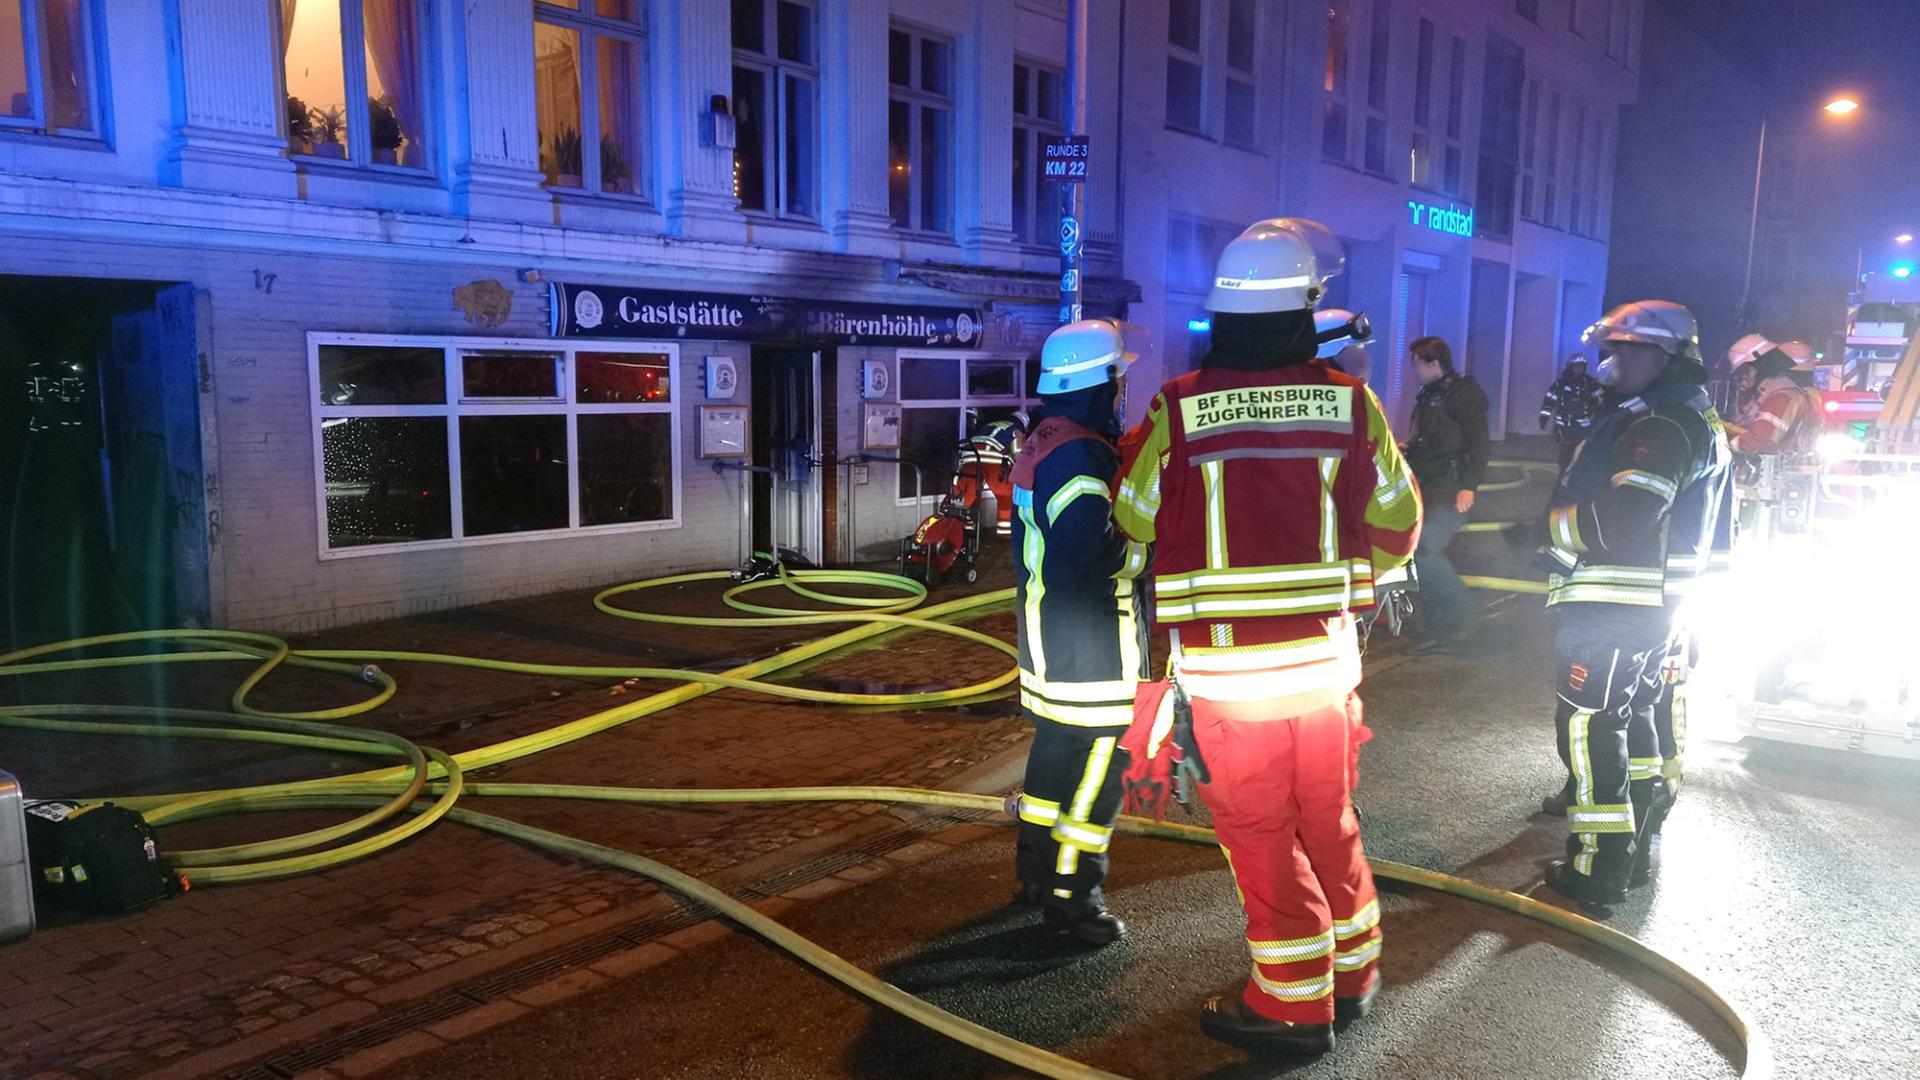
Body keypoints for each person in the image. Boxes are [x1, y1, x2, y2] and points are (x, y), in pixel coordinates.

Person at [1115, 218, 1422, 1055]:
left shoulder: (1178, 408)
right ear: (1307, 309)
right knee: (1329, 821)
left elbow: (1133, 518)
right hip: (1327, 670)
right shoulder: (1352, 403)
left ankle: (1290, 1004)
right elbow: (1399, 524)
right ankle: (1354, 975)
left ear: (1219, 317)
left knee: (1259, 837)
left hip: (1229, 678)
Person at [1539, 300, 1727, 912]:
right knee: (1632, 719)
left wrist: (1544, 535)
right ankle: (1635, 849)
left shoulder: (1661, 425)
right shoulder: (1683, 414)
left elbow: (1625, 518)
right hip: (1651, 607)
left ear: (1658, 355)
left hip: (1616, 604)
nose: (1612, 362)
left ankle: (1598, 866)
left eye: (1624, 351)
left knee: (1590, 725)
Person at [1008, 319, 1147, 945]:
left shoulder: (1044, 441)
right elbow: (1089, 550)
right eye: (1117, 380)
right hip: (1089, 652)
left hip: (1046, 644)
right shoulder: (1082, 454)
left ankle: (1037, 872)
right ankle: (1074, 899)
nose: (1121, 393)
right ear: (1097, 383)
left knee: (1053, 758)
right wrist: (1145, 548)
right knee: (1100, 768)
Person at [1402, 337, 1490, 644]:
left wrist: (1468, 486)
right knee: (1418, 551)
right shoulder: (1431, 394)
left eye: (1416, 364)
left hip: (1450, 486)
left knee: (1425, 550)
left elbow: (1479, 442)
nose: (1413, 371)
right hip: (1429, 482)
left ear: (1433, 364)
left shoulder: (1464, 395)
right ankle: (1439, 630)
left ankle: (1462, 616)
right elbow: (1435, 439)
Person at [1729, 342, 1819, 454]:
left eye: (1746, 370)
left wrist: (1726, 444)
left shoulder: (1783, 397)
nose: (1743, 378)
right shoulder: (1798, 395)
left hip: (1775, 468)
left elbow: (1759, 441)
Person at [1538, 355, 1607, 469]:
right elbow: (1549, 401)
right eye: (1576, 366)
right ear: (1570, 367)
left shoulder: (1590, 383)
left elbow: (1602, 400)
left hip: (1584, 428)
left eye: (1582, 366)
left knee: (1582, 452)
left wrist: (1591, 399)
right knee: (1565, 453)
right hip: (1565, 426)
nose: (1579, 369)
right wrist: (1544, 419)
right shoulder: (1560, 384)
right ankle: (1563, 474)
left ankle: (1577, 475)